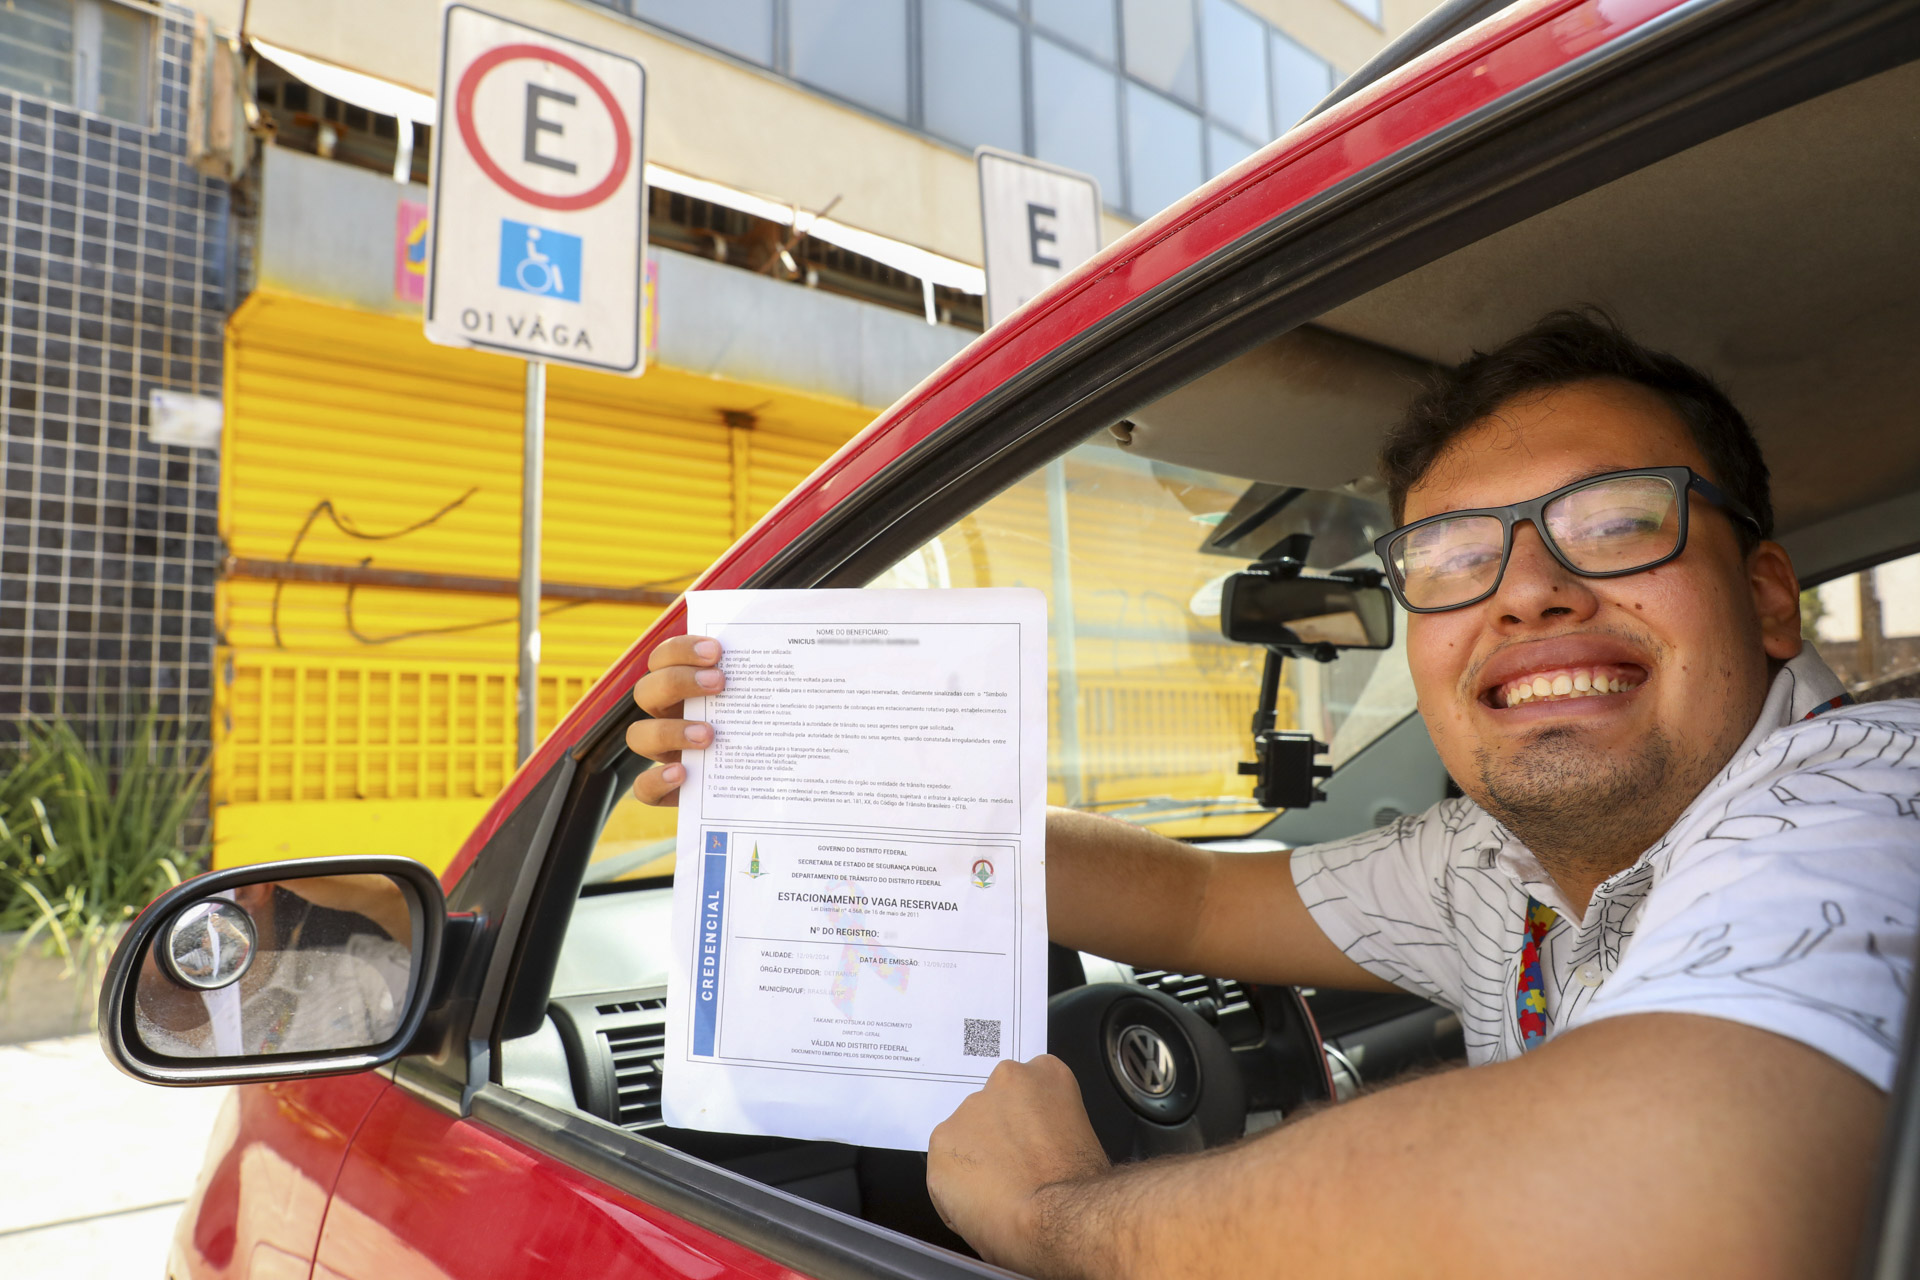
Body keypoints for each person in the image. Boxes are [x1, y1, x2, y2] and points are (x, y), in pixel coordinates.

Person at [627, 311, 1920, 1278]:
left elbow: (1652, 1205)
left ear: (1764, 593)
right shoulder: (1493, 859)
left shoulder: (1862, 805)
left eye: (1620, 522)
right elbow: (1188, 901)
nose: (1528, 590)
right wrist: (812, 779)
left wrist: (1055, 1213)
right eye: (1456, 555)